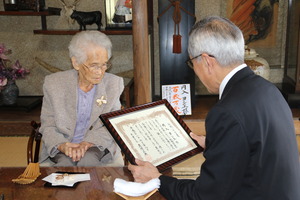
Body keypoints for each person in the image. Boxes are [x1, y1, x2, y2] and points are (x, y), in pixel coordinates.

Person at [128, 16, 300, 199]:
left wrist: (156, 179)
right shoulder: (267, 89)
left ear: (207, 61)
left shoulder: (226, 111)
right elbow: (255, 147)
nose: (194, 71)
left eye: (192, 63)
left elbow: (206, 196)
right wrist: (214, 143)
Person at [39, 31, 124, 167]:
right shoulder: (54, 84)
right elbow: (48, 125)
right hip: (63, 143)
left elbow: (111, 125)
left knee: (88, 161)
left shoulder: (114, 84)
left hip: (97, 145)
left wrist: (87, 143)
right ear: (76, 63)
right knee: (64, 165)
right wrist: (62, 145)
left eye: (104, 64)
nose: (100, 71)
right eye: (94, 65)